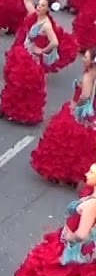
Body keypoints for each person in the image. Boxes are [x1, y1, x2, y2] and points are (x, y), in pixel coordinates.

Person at [32, 50, 96, 186]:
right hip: (90, 118)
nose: (83, 59)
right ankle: (72, 176)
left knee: (64, 145)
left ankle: (59, 173)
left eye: (86, 57)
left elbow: (84, 96)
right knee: (78, 148)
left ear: (92, 61)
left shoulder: (88, 77)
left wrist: (76, 107)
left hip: (77, 114)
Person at [0, 0, 61, 126]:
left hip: (31, 60)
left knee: (23, 87)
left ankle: (18, 112)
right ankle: (8, 109)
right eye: (39, 4)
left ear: (48, 9)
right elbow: (27, 0)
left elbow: (55, 42)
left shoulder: (46, 25)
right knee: (13, 82)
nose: (39, 7)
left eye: (42, 6)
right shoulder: (35, 16)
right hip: (22, 54)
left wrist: (42, 50)